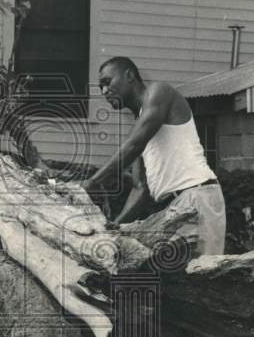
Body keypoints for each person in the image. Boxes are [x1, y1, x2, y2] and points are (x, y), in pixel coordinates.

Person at [82, 56, 225, 257]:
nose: (105, 91)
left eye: (107, 82)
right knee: (180, 280)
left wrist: (92, 183)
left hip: (196, 197)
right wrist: (114, 226)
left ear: (129, 75)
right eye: (100, 88)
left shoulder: (159, 92)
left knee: (204, 275)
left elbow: (133, 145)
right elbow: (140, 188)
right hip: (174, 207)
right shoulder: (141, 124)